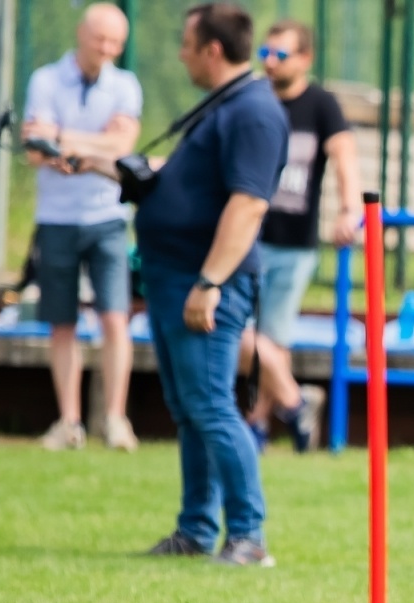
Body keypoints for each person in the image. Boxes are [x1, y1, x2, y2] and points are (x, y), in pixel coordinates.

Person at [76, 3, 287, 564]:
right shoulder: (226, 105)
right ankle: (195, 531)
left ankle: (248, 536)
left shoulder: (254, 113)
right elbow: (185, 180)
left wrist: (210, 282)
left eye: (187, 44)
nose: (181, 54)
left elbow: (247, 206)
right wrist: (98, 163)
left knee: (212, 405)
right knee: (190, 406)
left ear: (213, 50)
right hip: (174, 277)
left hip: (204, 283)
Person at [20, 3, 142, 453]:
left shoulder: (125, 84)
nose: (107, 50)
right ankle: (69, 422)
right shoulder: (46, 80)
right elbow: (36, 151)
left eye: (116, 43)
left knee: (114, 317)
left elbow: (123, 146)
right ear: (81, 34)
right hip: (56, 217)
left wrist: (65, 137)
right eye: (100, 40)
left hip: (107, 216)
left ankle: (115, 418)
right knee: (62, 323)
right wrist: (93, 142)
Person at [240, 18, 361, 454]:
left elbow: (345, 157)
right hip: (248, 236)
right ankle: (295, 402)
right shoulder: (254, 99)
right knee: (244, 334)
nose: (270, 63)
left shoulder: (320, 104)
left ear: (305, 59)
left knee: (273, 338)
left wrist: (350, 210)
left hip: (295, 243)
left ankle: (257, 425)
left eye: (281, 54)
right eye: (265, 54)